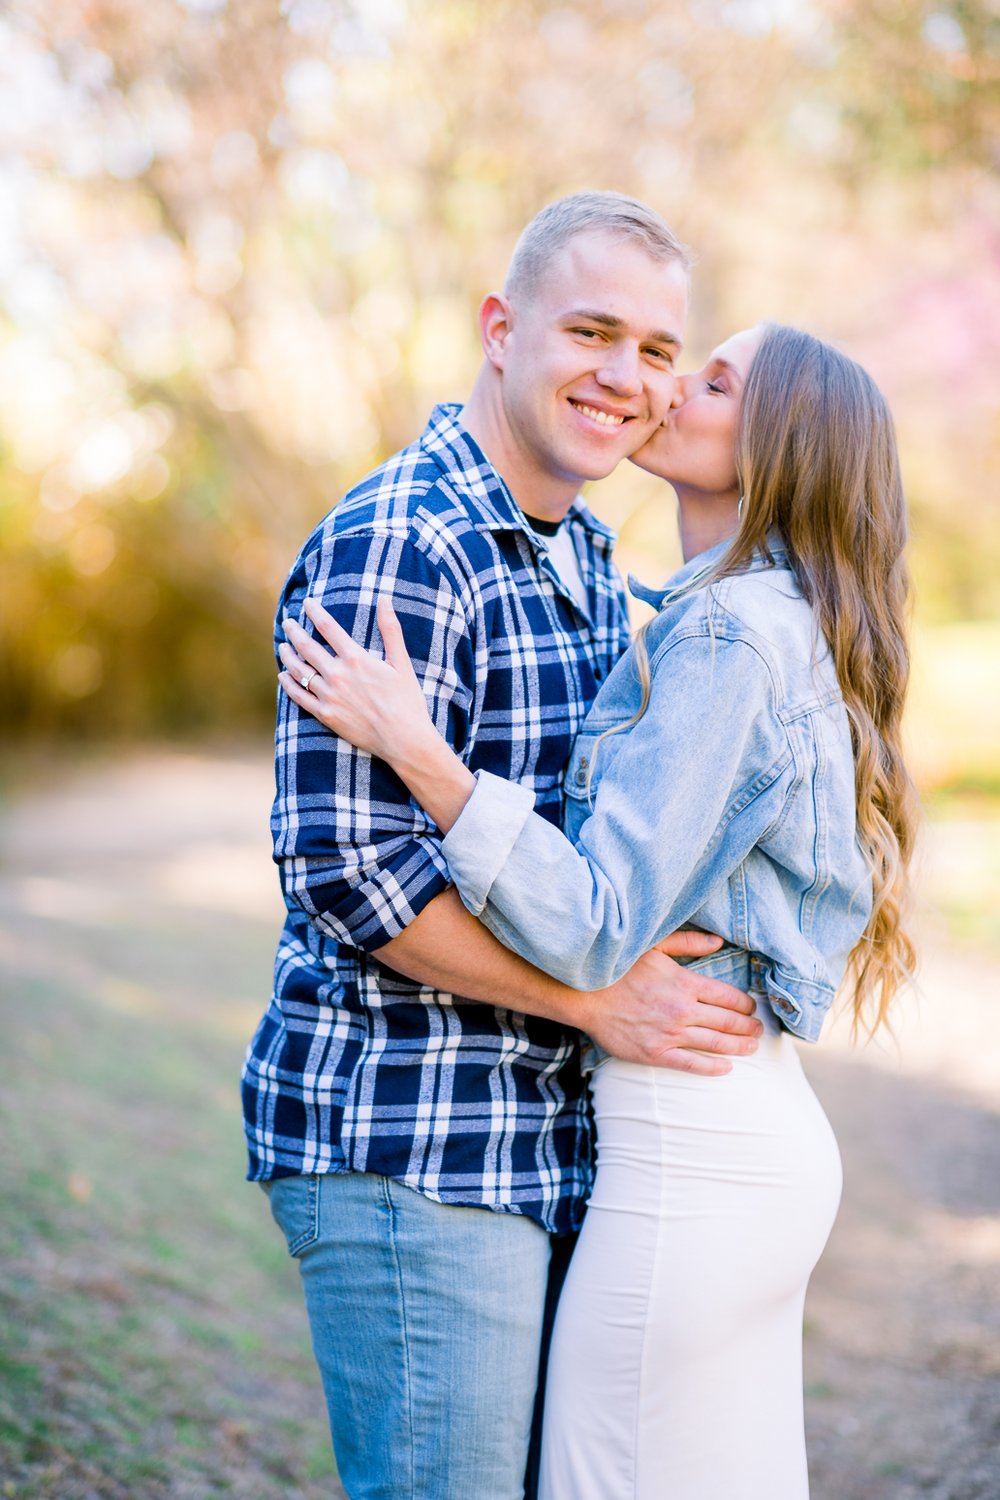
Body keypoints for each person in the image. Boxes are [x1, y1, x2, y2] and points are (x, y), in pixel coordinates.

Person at [278, 321, 920, 1499]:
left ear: (778, 443)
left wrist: (428, 760)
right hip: (729, 1128)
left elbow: (593, 922)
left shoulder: (731, 634)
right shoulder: (704, 610)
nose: (667, 385)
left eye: (710, 376)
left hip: (693, 1146)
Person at [243, 192, 765, 1500]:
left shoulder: (591, 558)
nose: (626, 378)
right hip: (413, 1139)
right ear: (500, 327)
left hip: (542, 1150)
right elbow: (351, 875)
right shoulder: (399, 541)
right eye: (591, 331)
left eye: (659, 350)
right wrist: (598, 1002)